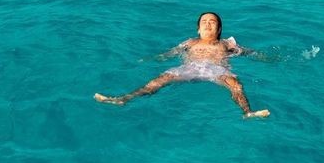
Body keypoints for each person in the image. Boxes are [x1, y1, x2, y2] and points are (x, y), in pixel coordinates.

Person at [95, 11, 269, 118]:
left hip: (218, 69)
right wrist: (153, 59)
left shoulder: (228, 44)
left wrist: (264, 57)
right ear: (198, 29)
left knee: (236, 85)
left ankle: (247, 112)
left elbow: (249, 53)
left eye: (212, 22)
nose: (208, 24)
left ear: (219, 29)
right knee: (161, 79)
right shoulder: (190, 42)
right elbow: (169, 54)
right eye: (204, 22)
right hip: (189, 68)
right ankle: (123, 99)